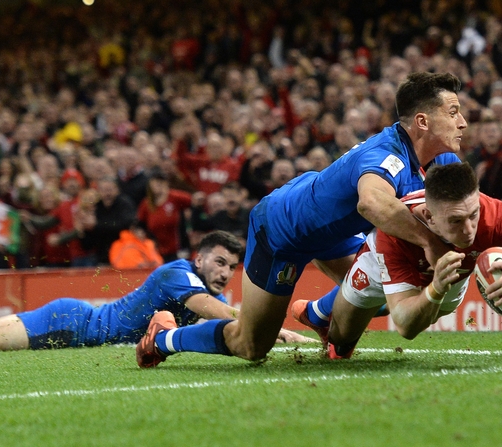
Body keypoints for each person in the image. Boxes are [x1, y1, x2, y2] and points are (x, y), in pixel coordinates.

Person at [136, 71, 467, 367]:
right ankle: (165, 337)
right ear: (422, 122)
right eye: (453, 113)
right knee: (251, 346)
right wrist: (429, 241)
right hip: (284, 230)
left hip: (331, 225)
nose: (463, 122)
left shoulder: (440, 160)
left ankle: (318, 315)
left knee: (386, 286)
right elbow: (371, 203)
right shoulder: (386, 155)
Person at [291, 163, 502, 357]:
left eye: (473, 215)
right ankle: (317, 313)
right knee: (341, 339)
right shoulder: (395, 236)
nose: (469, 229)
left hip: (450, 281)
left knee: (407, 303)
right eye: (456, 221)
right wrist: (435, 288)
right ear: (429, 217)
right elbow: (405, 326)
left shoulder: (495, 214)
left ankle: (348, 306)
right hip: (381, 266)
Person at [0, 230, 315, 352]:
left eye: (232, 267)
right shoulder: (178, 275)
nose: (225, 273)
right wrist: (281, 330)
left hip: (75, 322)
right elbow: (221, 315)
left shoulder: (196, 283)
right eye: (219, 262)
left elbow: (220, 319)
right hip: (70, 324)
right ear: (198, 259)